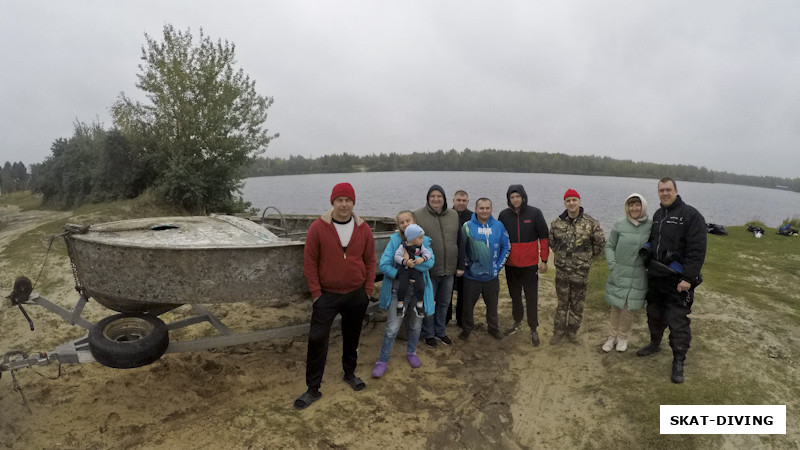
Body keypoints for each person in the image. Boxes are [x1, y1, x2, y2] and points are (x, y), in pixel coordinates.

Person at [294, 182, 376, 410]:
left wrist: (367, 290)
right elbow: (309, 263)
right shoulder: (318, 228)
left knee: (352, 337)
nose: (344, 204)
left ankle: (349, 373)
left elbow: (370, 261)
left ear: (353, 203)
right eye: (339, 200)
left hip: (356, 294)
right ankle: (312, 388)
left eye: (348, 200)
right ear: (333, 202)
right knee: (317, 339)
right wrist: (317, 293)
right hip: (327, 296)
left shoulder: (363, 228)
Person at [637, 178, 706, 384]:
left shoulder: (691, 216)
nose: (665, 193)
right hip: (657, 277)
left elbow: (697, 251)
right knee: (654, 314)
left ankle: (678, 361)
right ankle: (654, 343)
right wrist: (647, 250)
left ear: (676, 190)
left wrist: (688, 278)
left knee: (678, 321)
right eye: (661, 190)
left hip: (678, 281)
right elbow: (654, 240)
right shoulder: (658, 215)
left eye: (668, 190)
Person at [372, 211, 435, 378]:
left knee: (415, 326)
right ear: (398, 226)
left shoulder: (424, 241)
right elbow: (384, 265)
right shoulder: (394, 242)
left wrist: (412, 265)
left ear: (415, 221)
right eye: (402, 222)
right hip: (398, 290)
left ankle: (411, 352)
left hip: (418, 292)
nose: (405, 224)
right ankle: (382, 360)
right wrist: (401, 274)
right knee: (392, 328)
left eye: (408, 220)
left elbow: (430, 262)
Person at [549, 189, 605, 344]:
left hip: (581, 272)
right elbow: (552, 243)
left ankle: (572, 331)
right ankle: (559, 331)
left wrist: (585, 259)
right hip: (562, 271)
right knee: (562, 303)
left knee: (577, 303)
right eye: (568, 200)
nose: (571, 203)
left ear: (579, 201)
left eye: (574, 200)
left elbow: (599, 244)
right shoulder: (556, 223)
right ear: (565, 203)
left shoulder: (591, 223)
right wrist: (562, 258)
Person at [498, 184, 549, 346]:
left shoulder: (535, 213)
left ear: (523, 197)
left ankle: (533, 327)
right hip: (511, 265)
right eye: (512, 197)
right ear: (509, 199)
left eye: (517, 197)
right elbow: (499, 239)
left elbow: (544, 237)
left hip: (530, 265)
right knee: (515, 296)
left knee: (531, 297)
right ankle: (517, 321)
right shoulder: (504, 215)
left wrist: (544, 260)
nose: (515, 200)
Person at [602, 193, 652, 352]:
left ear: (642, 206)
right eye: (631, 205)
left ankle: (623, 337)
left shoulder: (651, 225)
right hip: (620, 271)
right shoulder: (619, 224)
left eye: (637, 205)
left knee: (628, 308)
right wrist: (612, 265)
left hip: (638, 274)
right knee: (616, 305)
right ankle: (612, 336)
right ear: (627, 207)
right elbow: (609, 246)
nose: (634, 208)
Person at [457, 198, 510, 340]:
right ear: (476, 209)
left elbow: (506, 247)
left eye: (487, 208)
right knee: (467, 306)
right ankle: (467, 328)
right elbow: (461, 249)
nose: (484, 211)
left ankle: (493, 328)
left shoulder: (499, 225)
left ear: (491, 209)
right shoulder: (467, 226)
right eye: (481, 208)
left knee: (492, 305)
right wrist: (466, 266)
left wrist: (498, 266)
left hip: (492, 277)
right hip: (471, 277)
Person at [415, 185, 460, 347]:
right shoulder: (418, 216)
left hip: (449, 269)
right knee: (429, 303)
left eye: (439, 196)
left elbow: (458, 240)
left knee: (444, 303)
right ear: (428, 198)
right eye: (432, 196)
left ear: (444, 198)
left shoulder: (454, 215)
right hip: (428, 270)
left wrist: (458, 265)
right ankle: (428, 333)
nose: (436, 199)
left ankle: (441, 331)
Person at [393, 224, 431, 318]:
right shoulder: (403, 246)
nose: (422, 240)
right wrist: (405, 262)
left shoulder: (421, 246)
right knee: (402, 287)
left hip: (416, 270)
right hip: (405, 270)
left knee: (421, 286)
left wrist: (422, 258)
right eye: (420, 238)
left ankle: (419, 305)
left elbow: (428, 253)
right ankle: (400, 306)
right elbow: (396, 256)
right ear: (412, 238)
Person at [449, 190, 472, 327]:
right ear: (453, 201)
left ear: (468, 202)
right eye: (459, 200)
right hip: (450, 259)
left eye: (464, 201)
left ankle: (461, 319)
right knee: (446, 293)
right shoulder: (447, 215)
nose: (461, 203)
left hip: (468, 260)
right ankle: (445, 318)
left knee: (464, 293)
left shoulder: (472, 217)